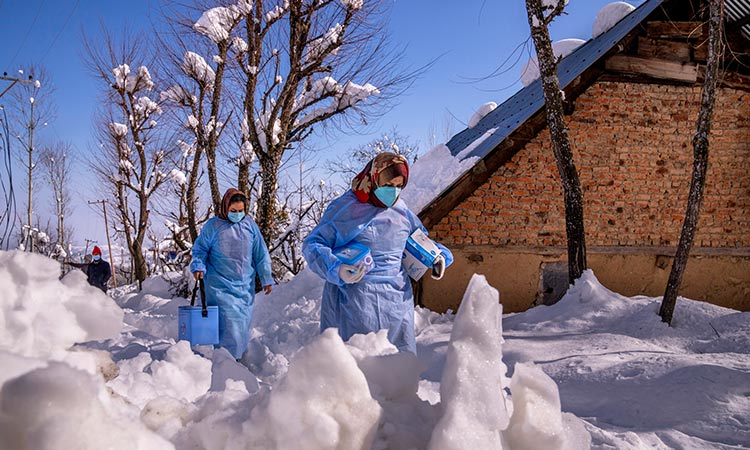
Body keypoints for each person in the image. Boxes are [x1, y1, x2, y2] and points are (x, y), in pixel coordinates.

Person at [302, 152, 453, 354]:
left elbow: (419, 239)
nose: (394, 192)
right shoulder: (345, 208)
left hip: (397, 301)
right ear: (374, 178)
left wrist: (439, 256)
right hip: (355, 299)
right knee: (360, 364)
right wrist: (336, 268)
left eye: (400, 186)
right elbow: (313, 244)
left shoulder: (400, 209)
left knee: (398, 365)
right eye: (389, 185)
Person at [190, 188, 274, 360]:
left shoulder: (250, 225)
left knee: (241, 327)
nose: (237, 214)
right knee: (228, 326)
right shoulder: (213, 226)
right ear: (225, 208)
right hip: (218, 286)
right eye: (233, 211)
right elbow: (200, 250)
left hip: (244, 288)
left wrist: (266, 277)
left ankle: (235, 360)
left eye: (240, 211)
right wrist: (198, 266)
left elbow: (261, 253)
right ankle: (226, 363)